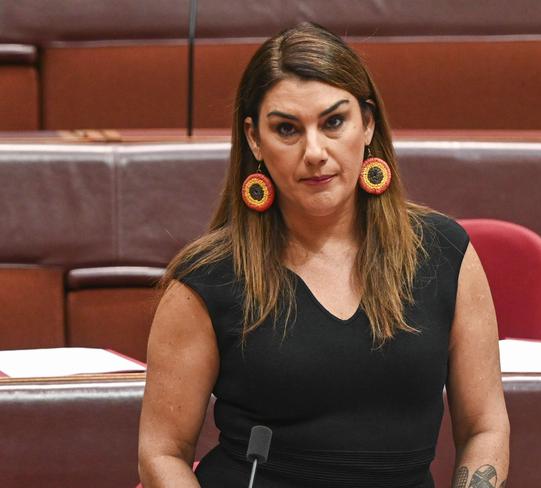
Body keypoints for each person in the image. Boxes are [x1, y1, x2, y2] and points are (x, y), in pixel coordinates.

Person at [138, 22, 509, 488]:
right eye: (287, 129)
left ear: (368, 123)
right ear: (254, 139)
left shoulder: (444, 253)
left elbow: (485, 428)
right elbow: (162, 453)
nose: (314, 152)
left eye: (333, 122)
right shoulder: (207, 279)